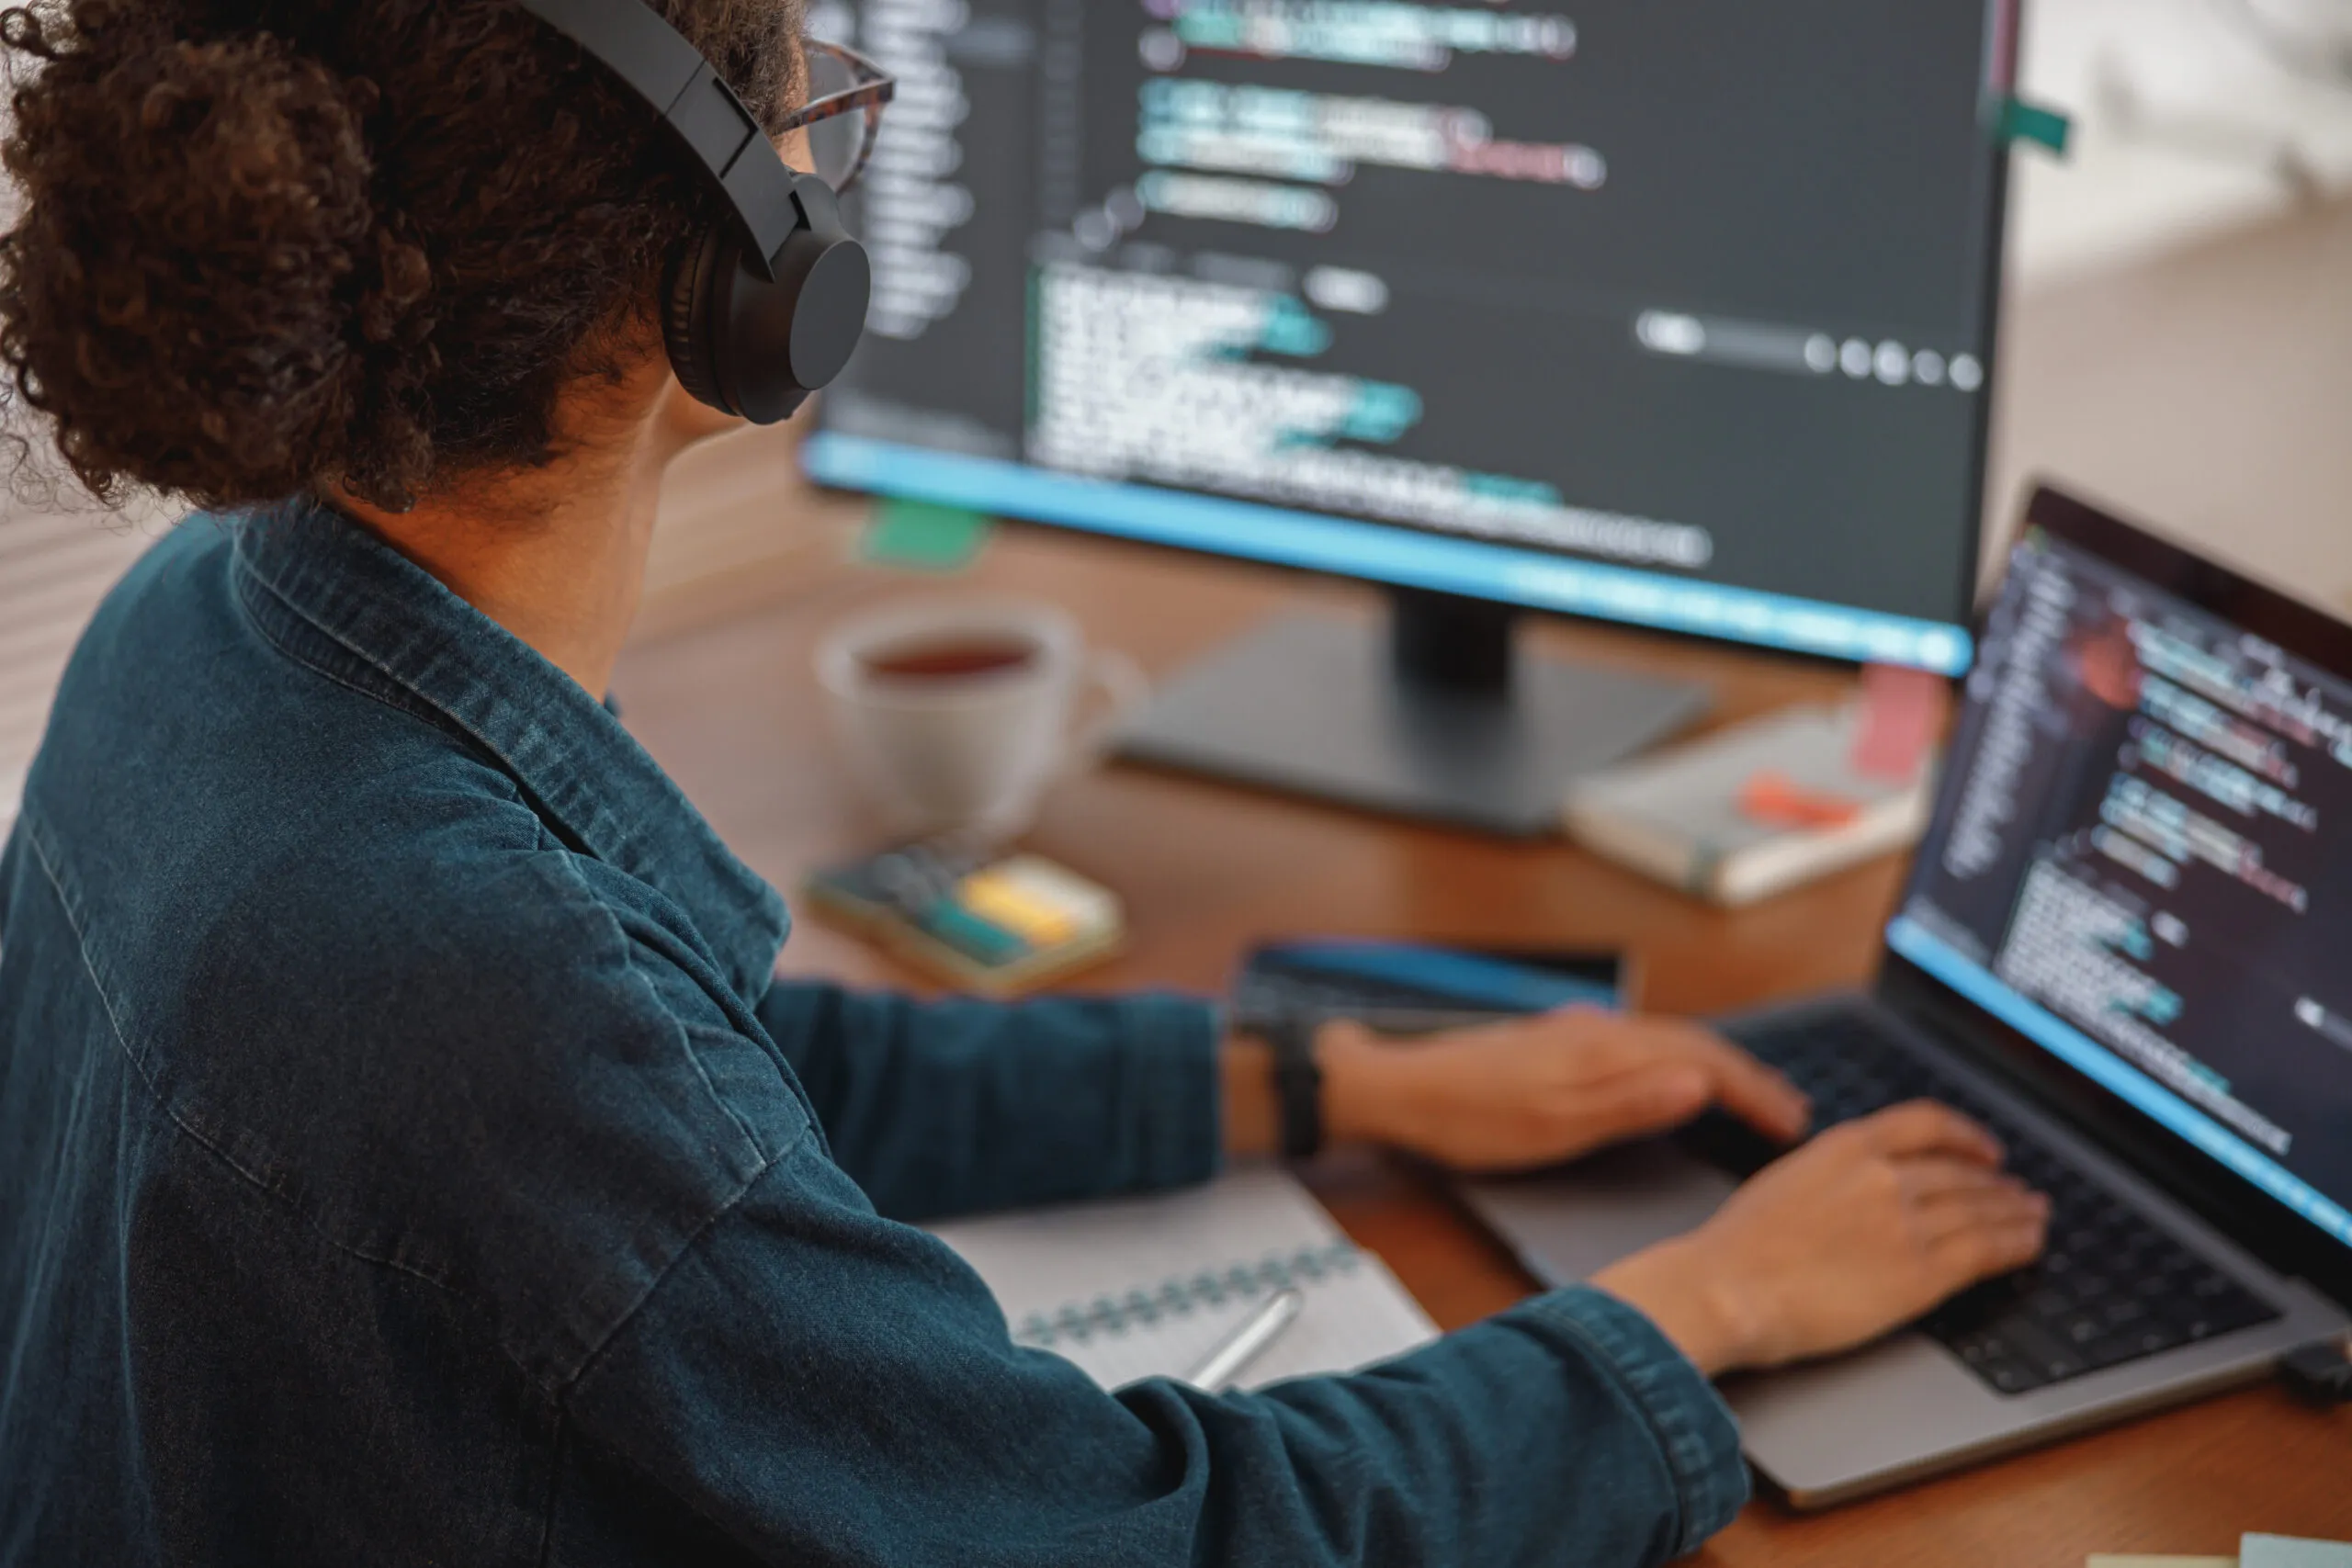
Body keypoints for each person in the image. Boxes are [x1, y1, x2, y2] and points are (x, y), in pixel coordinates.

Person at [0, 4, 2052, 1563]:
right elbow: (1140, 1536)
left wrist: (1321, 1080)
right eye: (814, 123)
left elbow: (697, 1109)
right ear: (726, 277)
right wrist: (1701, 1305)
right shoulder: (476, 983)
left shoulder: (207, 628)